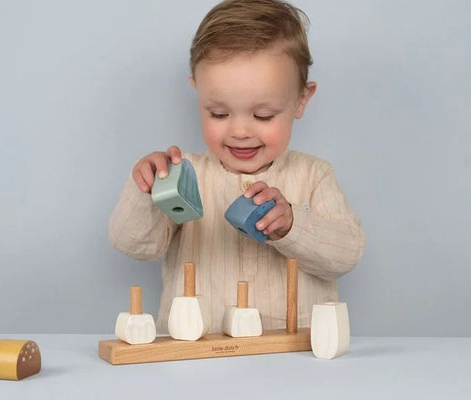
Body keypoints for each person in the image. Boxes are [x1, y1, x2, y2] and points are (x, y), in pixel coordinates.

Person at [109, 0, 365, 334]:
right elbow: (134, 245)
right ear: (197, 93)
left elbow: (346, 255)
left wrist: (293, 226)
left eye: (263, 115)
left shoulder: (314, 176)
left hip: (291, 355)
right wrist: (147, 190)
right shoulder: (185, 175)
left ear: (301, 99)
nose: (240, 131)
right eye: (218, 113)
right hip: (197, 354)